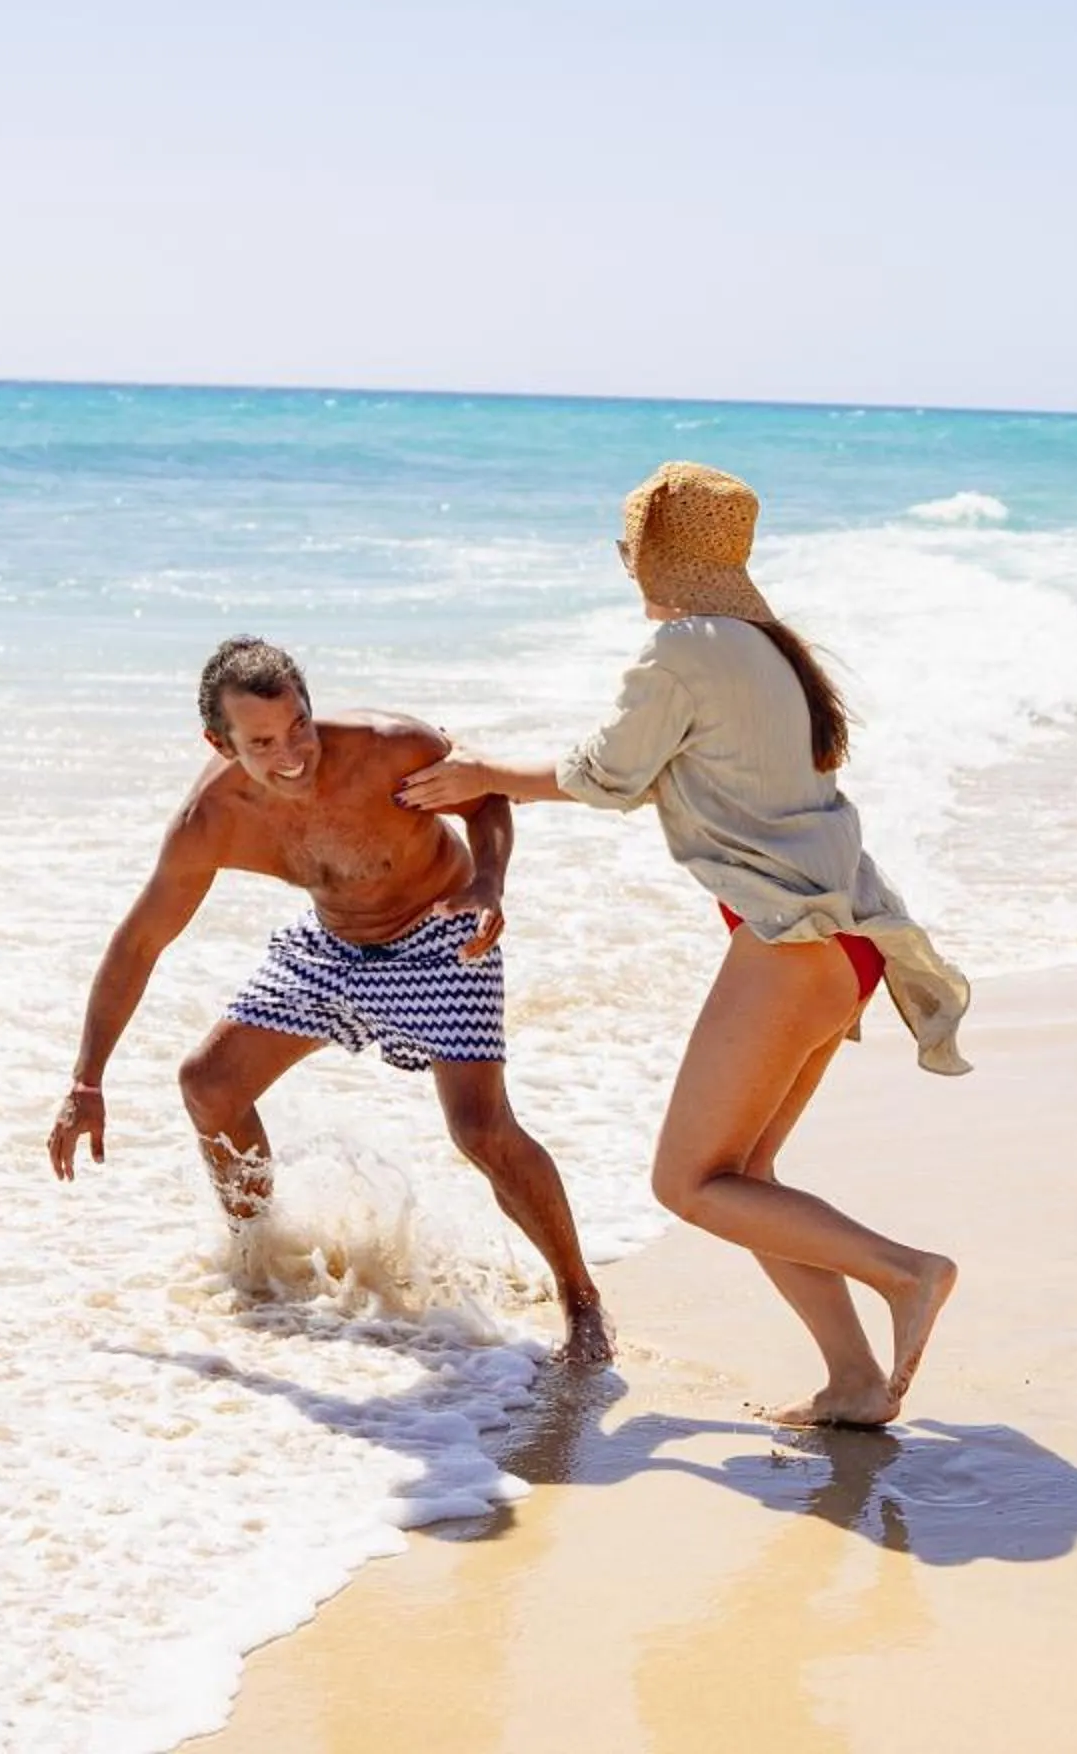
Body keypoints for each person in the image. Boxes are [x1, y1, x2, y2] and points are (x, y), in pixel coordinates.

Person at [400, 462, 971, 1428]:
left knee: (689, 1183)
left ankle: (908, 1274)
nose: (623, 562)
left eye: (629, 545)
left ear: (653, 553)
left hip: (792, 946)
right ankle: (854, 1382)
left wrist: (482, 772)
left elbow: (609, 774)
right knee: (744, 1179)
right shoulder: (767, 646)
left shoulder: (686, 648)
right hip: (844, 944)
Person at [47, 635, 610, 1365]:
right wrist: (87, 1077)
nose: (292, 754)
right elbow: (140, 942)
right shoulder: (210, 822)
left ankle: (582, 1300)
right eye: (261, 742)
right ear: (218, 743)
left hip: (443, 934)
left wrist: (490, 882)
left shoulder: (390, 749)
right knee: (208, 1084)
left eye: (299, 727)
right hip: (332, 945)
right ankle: (260, 1267)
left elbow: (487, 795)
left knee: (480, 1129)